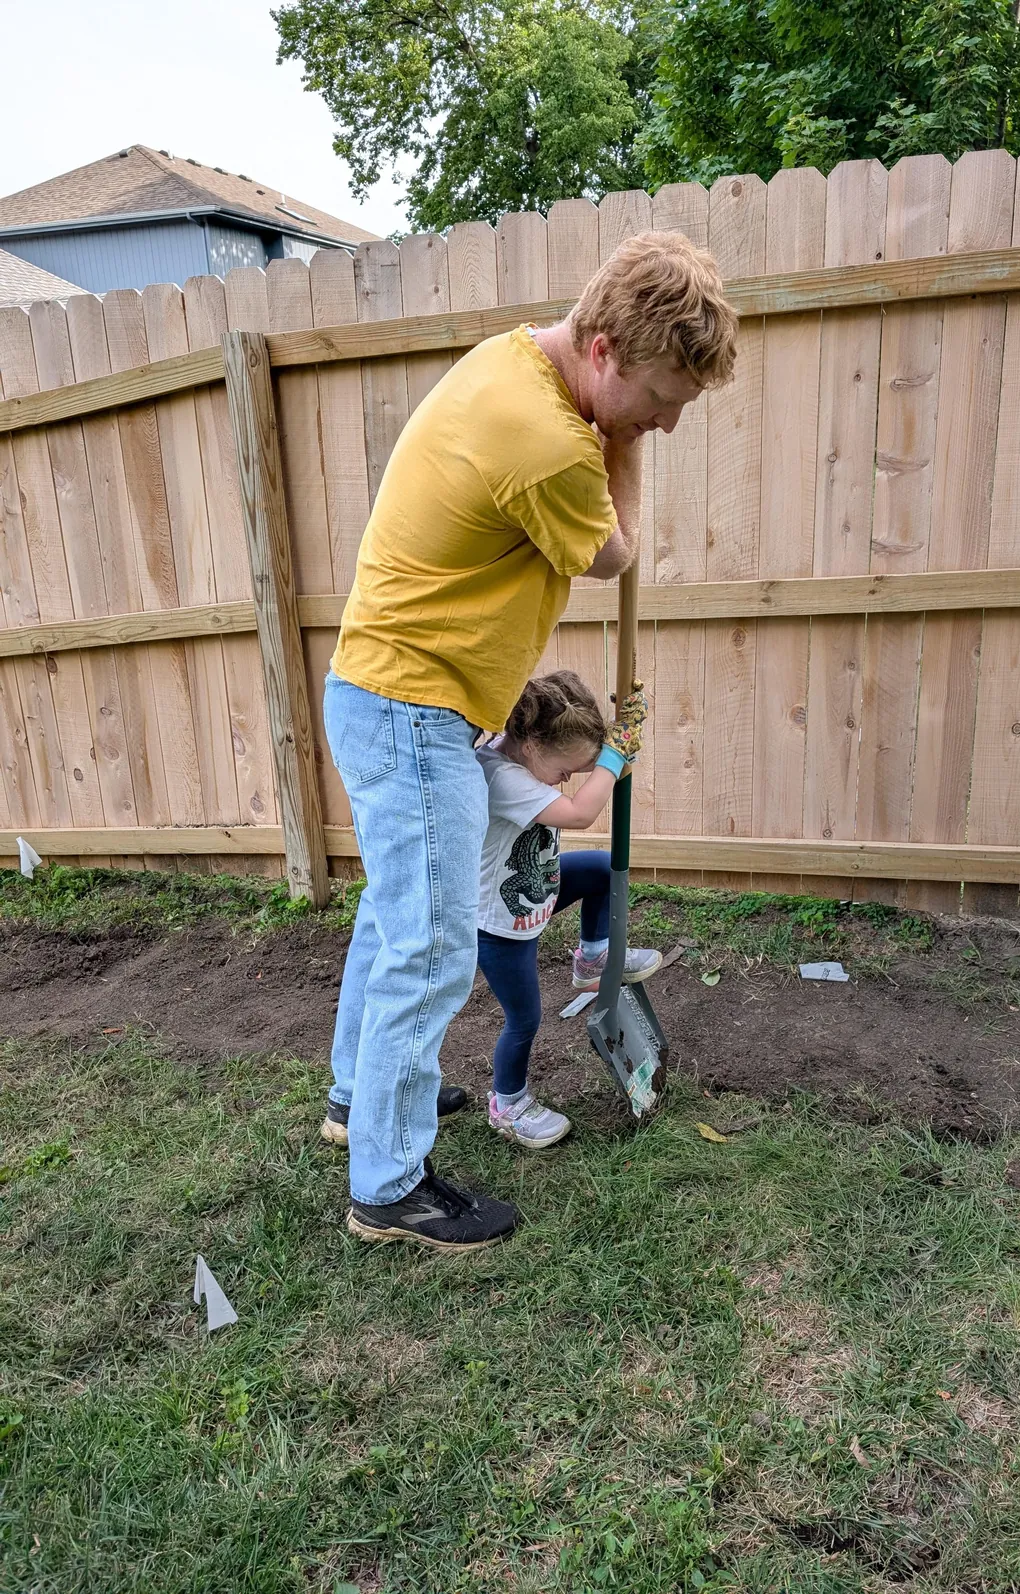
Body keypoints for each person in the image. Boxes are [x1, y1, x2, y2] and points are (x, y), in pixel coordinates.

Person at [322, 230, 738, 1252]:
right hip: (414, 709)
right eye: (663, 399)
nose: (666, 424)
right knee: (429, 949)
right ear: (603, 351)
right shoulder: (548, 440)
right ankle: (388, 1184)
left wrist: (623, 421)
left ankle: (356, 1098)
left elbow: (611, 474)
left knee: (392, 922)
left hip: (390, 697)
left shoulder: (516, 362)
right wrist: (621, 443)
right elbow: (615, 554)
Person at [477, 670, 661, 1151]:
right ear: (533, 746)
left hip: (539, 891)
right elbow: (581, 813)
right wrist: (614, 755)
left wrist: (621, 735)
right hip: (501, 925)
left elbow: (591, 767)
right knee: (524, 1018)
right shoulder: (499, 775)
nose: (568, 780)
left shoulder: (531, 754)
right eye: (565, 771)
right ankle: (508, 1104)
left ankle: (592, 959)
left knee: (602, 869)